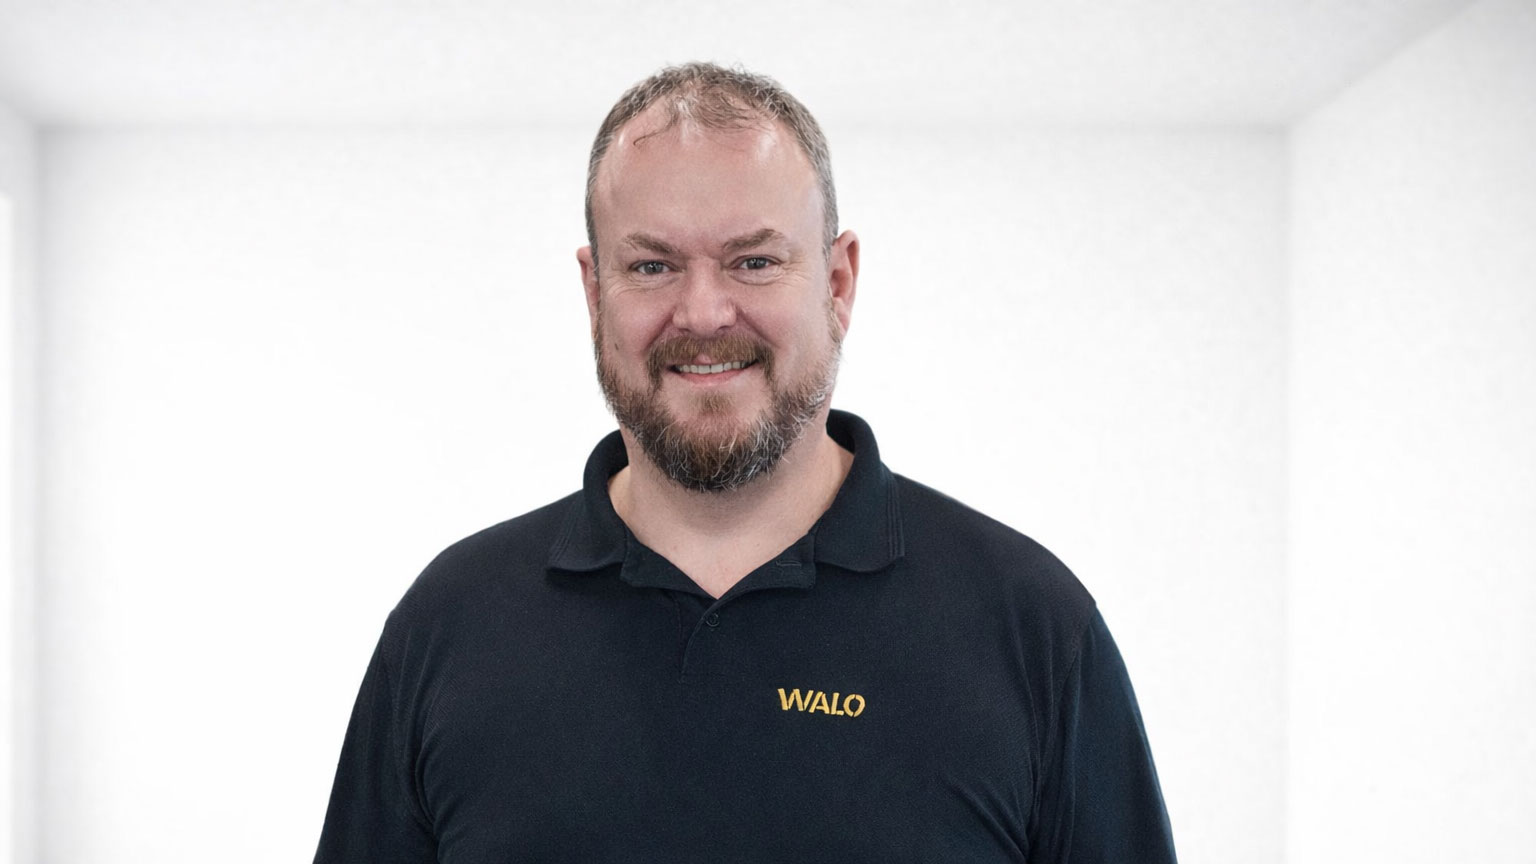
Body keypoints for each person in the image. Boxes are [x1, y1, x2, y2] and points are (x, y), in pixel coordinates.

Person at [314, 62, 1177, 863]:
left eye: (753, 261)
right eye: (652, 265)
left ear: (838, 283)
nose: (702, 311)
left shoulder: (1031, 628)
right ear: (593, 292)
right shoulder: (450, 624)